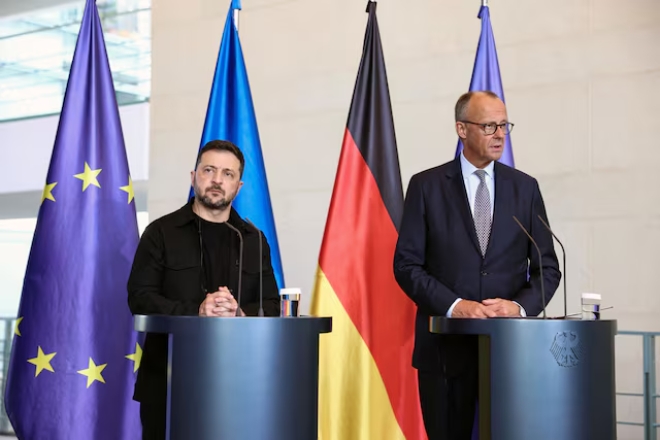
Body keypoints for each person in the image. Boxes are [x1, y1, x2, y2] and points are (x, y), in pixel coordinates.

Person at [393, 91, 561, 440]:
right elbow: (407, 265)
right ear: (462, 129)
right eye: (489, 126)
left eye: (504, 125)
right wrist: (456, 305)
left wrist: (518, 307)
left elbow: (547, 268)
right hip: (445, 351)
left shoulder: (525, 188)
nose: (499, 135)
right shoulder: (426, 186)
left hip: (509, 350)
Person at [127, 140, 281, 440]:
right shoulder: (160, 233)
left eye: (228, 174)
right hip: (169, 382)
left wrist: (240, 313)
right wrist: (196, 311)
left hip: (239, 384)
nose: (217, 180)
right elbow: (139, 298)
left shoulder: (253, 239)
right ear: (193, 176)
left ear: (238, 186)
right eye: (209, 170)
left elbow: (272, 304)